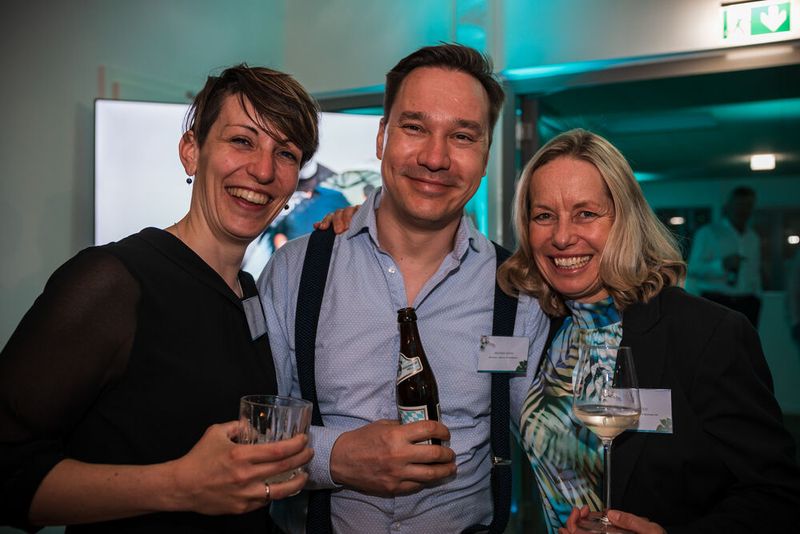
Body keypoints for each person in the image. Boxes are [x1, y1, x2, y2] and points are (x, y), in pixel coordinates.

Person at [0, 64, 320, 532]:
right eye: (242, 141)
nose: (264, 170)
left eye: (286, 153)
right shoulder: (112, 282)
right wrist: (179, 485)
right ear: (192, 152)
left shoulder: (249, 293)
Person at [259, 44, 549, 533]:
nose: (436, 158)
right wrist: (336, 457)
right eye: (415, 128)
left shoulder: (520, 291)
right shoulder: (295, 271)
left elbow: (551, 441)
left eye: (462, 135)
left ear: (484, 157)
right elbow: (254, 431)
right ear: (381, 137)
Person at [496, 128, 800, 533]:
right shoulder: (542, 326)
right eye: (544, 215)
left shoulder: (708, 333)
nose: (562, 237)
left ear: (624, 219)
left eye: (586, 213)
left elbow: (777, 494)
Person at [687, 186, 762, 326]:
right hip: (717, 301)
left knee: (746, 347)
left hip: (748, 302)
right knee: (716, 346)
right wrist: (721, 265)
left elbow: (755, 272)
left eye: (748, 205)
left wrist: (758, 296)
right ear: (728, 206)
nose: (744, 210)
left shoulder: (753, 237)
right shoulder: (708, 233)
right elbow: (693, 268)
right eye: (740, 205)